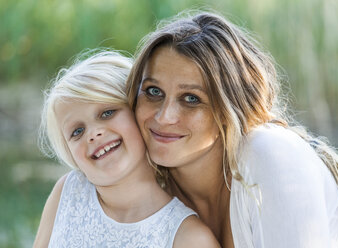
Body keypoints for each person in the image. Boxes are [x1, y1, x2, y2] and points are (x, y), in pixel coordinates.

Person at [126, 11, 338, 248]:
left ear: (229, 109)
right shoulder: (146, 187)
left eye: (191, 98)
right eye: (153, 92)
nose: (164, 116)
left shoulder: (270, 156)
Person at [33, 50, 220, 248]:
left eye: (107, 113)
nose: (93, 134)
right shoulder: (68, 193)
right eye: (77, 131)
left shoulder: (189, 238)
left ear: (138, 112)